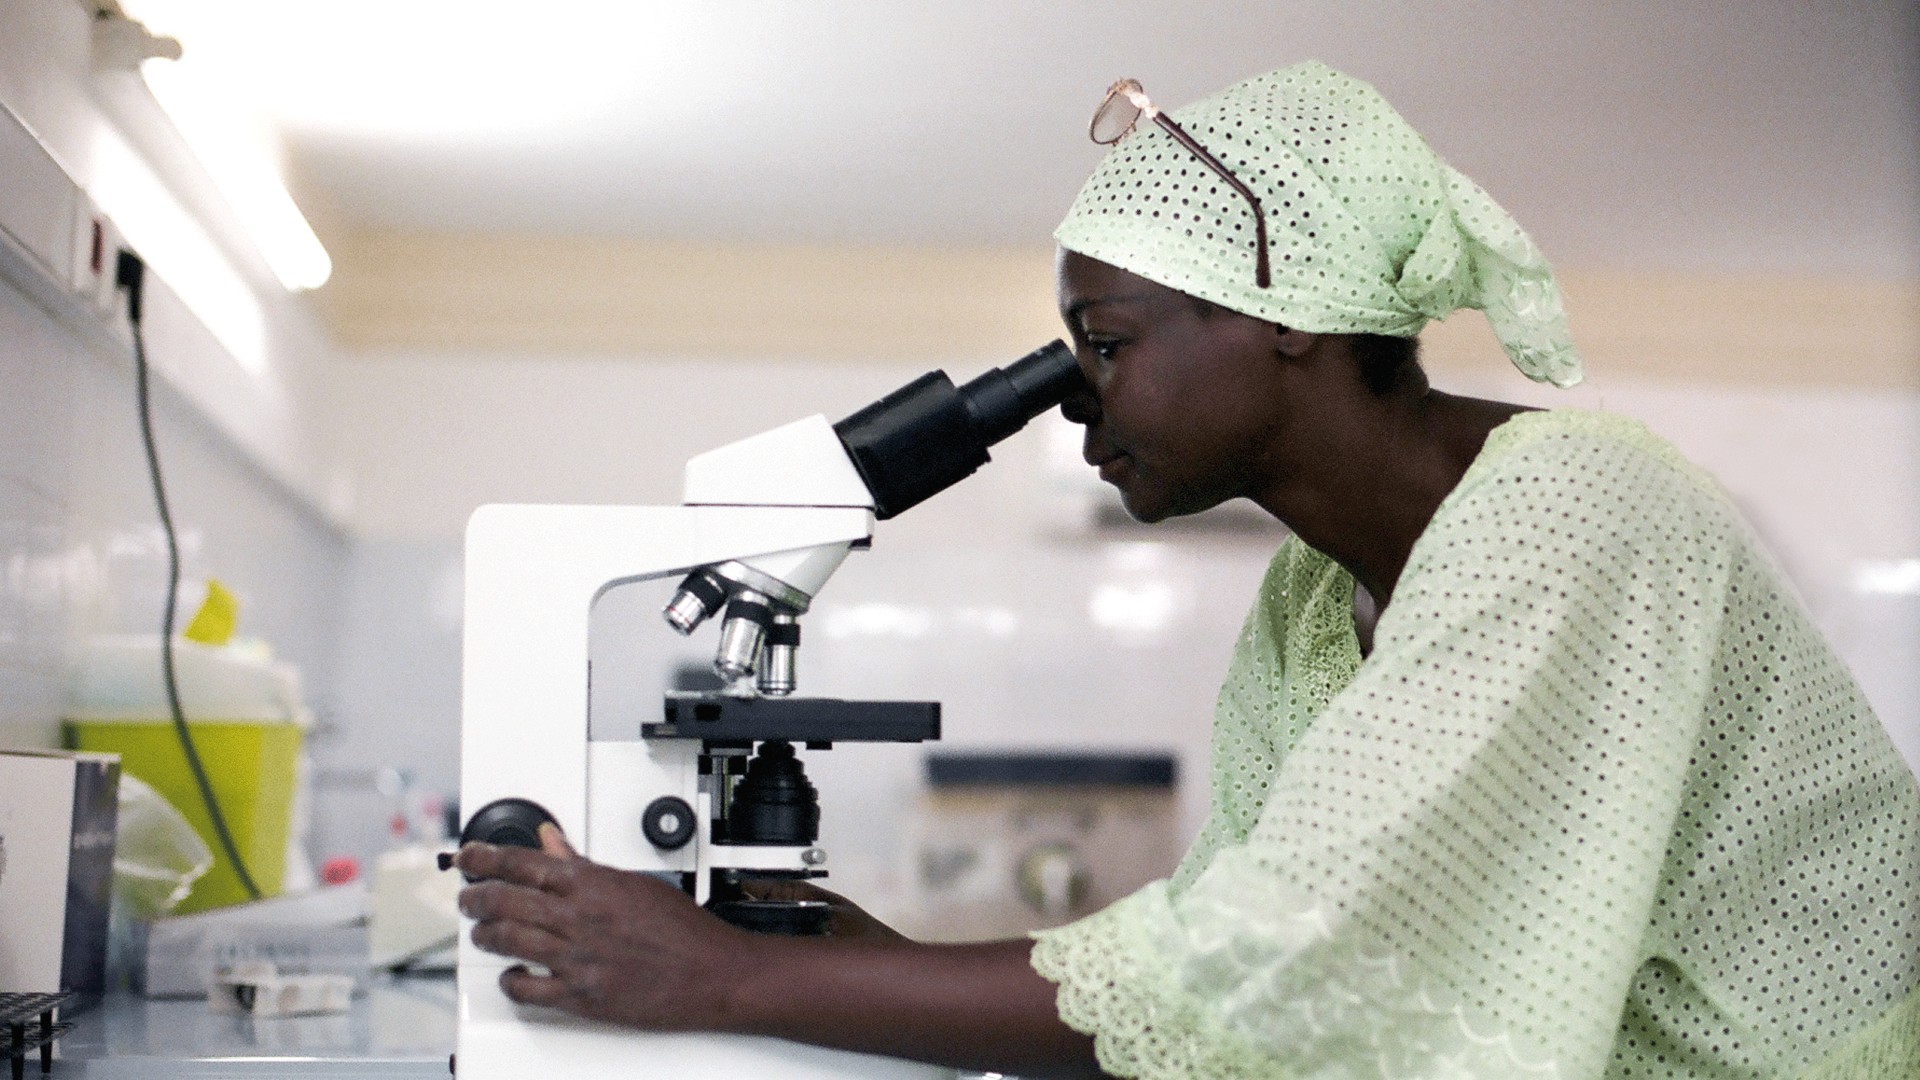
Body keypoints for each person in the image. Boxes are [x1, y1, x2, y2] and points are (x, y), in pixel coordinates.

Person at [453, 61, 1920, 1078]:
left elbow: (1273, 976)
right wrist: (869, 963)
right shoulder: (1308, 606)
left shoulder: (1579, 512)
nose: (1078, 399)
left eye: (1106, 344)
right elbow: (1231, 1000)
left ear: (1283, 312)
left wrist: (734, 980)